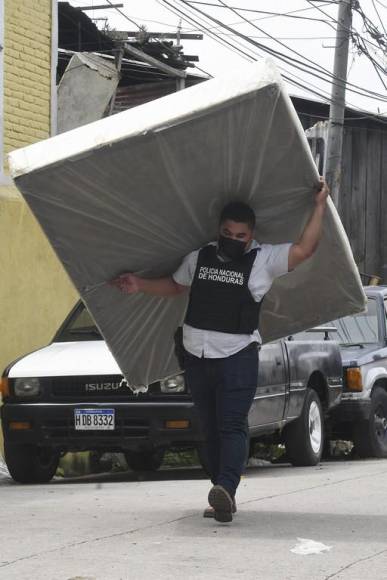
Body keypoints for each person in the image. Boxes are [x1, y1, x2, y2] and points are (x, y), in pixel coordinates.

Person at [111, 177, 329, 523]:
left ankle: (226, 487)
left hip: (237, 358)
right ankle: (221, 493)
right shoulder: (199, 257)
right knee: (209, 429)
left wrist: (319, 206)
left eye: (241, 236)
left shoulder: (263, 260)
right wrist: (138, 285)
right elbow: (174, 285)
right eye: (228, 233)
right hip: (196, 357)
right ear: (219, 229)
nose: (233, 240)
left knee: (231, 424)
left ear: (251, 235)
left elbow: (305, 249)